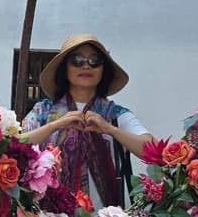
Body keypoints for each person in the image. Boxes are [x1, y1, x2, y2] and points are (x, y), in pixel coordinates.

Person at [19, 34, 154, 206]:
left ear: (103, 69)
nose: (86, 65)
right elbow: (17, 145)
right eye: (77, 60)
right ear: (65, 68)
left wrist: (110, 130)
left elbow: (152, 149)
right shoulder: (43, 111)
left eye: (94, 60)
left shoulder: (114, 114)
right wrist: (54, 125)